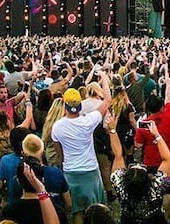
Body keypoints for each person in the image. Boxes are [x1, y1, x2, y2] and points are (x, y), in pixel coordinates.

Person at [52, 71, 112, 224]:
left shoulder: (57, 127)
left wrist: (61, 166)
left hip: (71, 171)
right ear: (79, 105)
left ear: (65, 105)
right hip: (90, 170)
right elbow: (108, 100)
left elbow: (59, 154)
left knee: (77, 210)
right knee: (96, 209)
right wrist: (104, 78)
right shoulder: (88, 121)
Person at [106, 112, 170, 224]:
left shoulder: (121, 186)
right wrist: (157, 135)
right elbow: (167, 159)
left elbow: (118, 156)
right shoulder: (156, 187)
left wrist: (112, 131)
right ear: (148, 178)